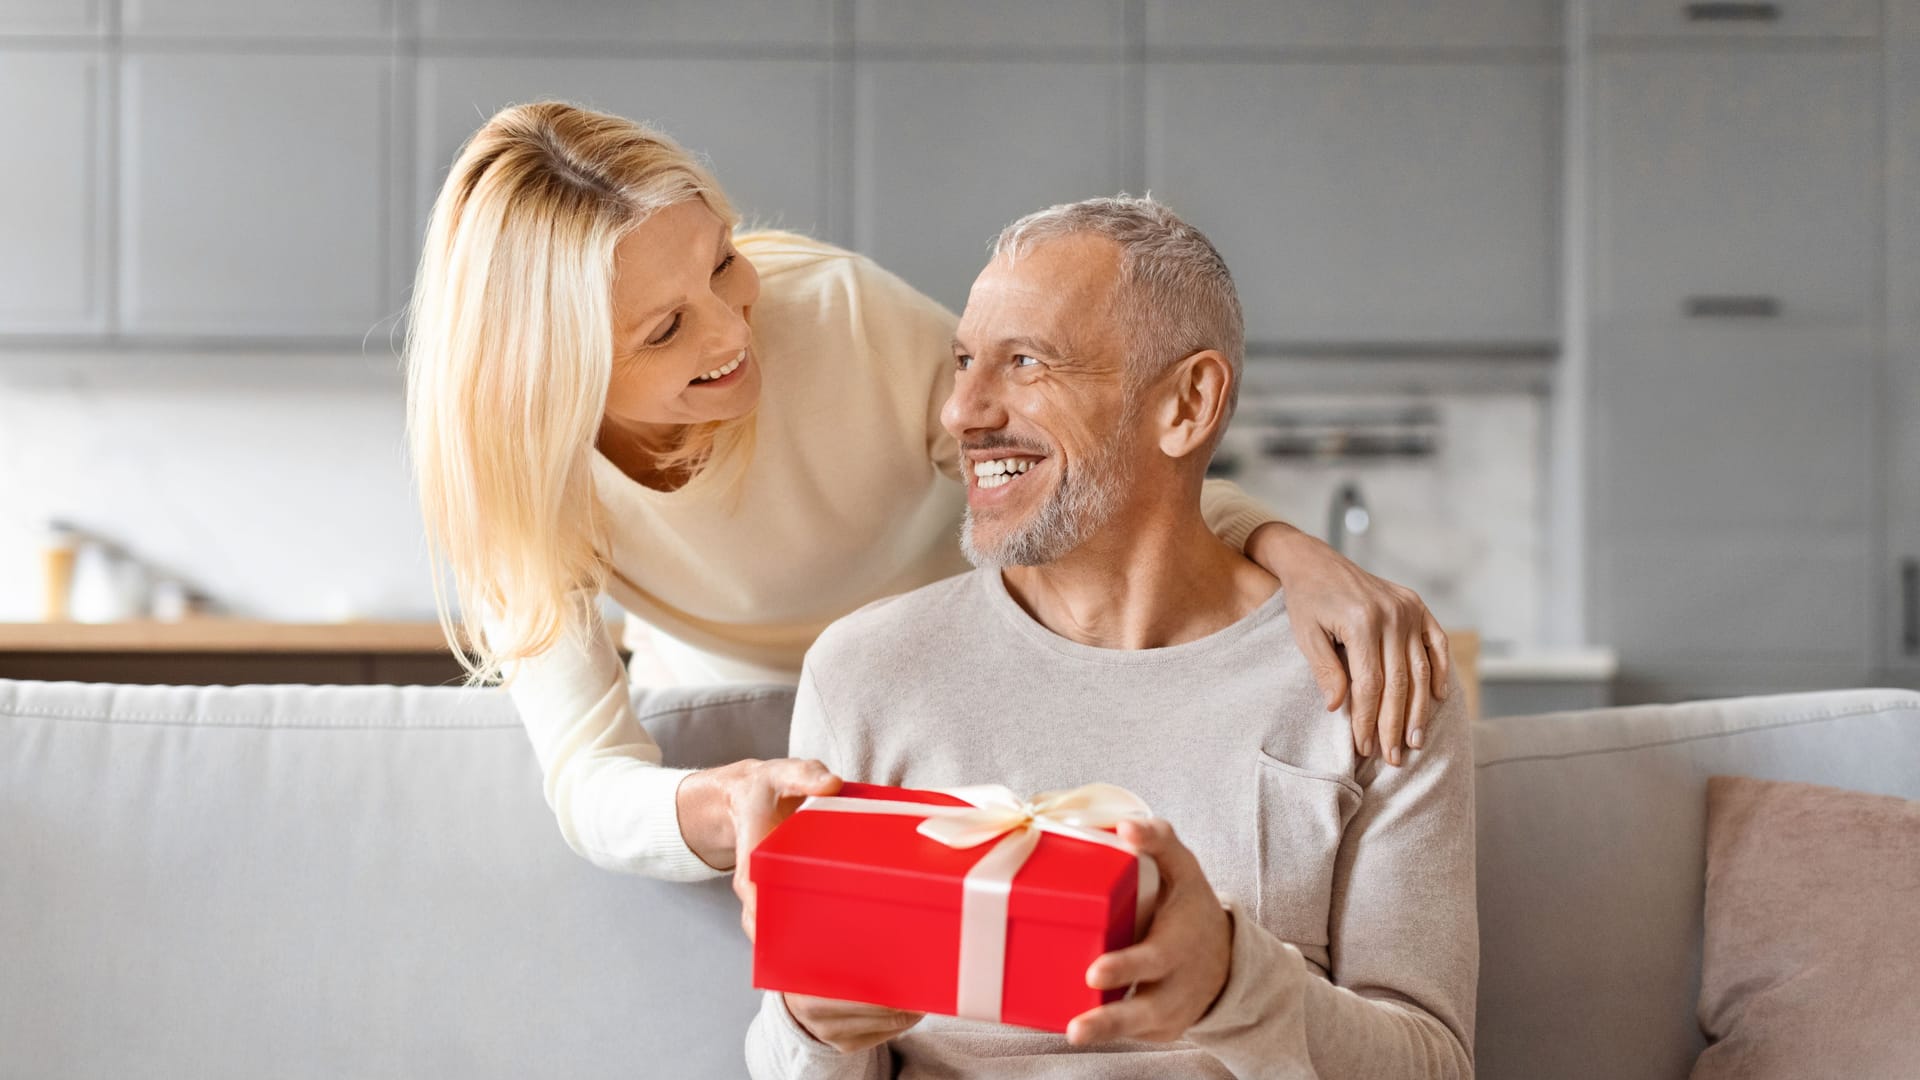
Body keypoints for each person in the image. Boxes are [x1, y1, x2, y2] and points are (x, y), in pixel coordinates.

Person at [404, 101, 1454, 888]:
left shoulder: (834, 315)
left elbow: (1081, 472)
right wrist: (713, 809)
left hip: (945, 689)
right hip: (747, 727)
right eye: (666, 331)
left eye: (721, 263)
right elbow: (587, 778)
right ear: (550, 377)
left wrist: (1287, 549)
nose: (732, 331)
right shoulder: (517, 479)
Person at [745, 197, 1476, 1079]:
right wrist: (811, 1028)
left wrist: (1232, 987)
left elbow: (1433, 1066)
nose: (963, 412)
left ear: (1187, 403)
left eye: (1026, 362)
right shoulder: (868, 672)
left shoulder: (1366, 676)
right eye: (965, 361)